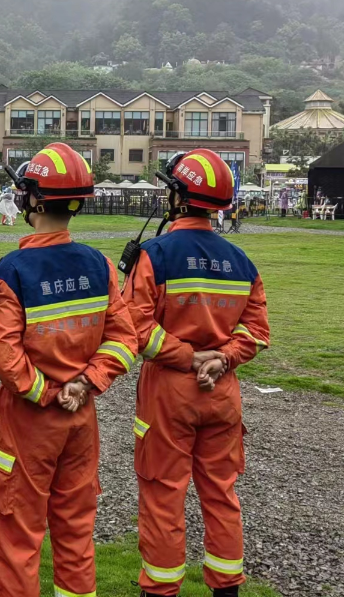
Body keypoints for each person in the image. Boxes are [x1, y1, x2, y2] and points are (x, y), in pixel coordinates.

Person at [0, 143, 139, 597]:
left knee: (19, 534)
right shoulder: (99, 264)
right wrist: (87, 382)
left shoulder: (13, 269)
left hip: (30, 420)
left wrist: (47, 393)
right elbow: (125, 338)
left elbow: (7, 355)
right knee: (75, 532)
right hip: (81, 417)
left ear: (32, 199)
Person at [124, 149, 270, 597]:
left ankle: (161, 589)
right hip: (222, 391)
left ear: (178, 197)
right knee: (221, 493)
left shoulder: (156, 254)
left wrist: (188, 359)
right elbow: (258, 332)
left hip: (170, 390)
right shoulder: (242, 262)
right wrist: (221, 359)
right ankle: (226, 587)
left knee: (164, 494)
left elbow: (135, 327)